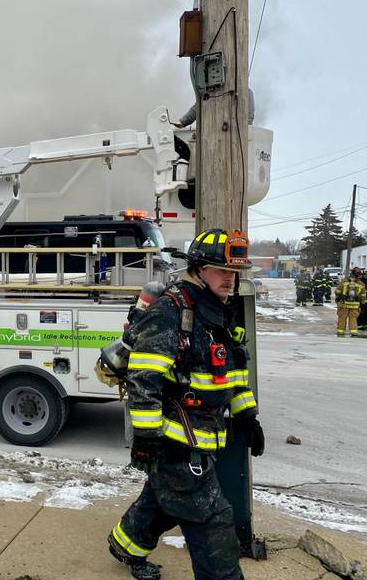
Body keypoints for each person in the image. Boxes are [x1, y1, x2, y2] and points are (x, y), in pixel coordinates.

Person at [108, 228, 263, 580]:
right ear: (198, 268)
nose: (229, 279)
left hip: (201, 434)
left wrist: (248, 416)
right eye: (222, 270)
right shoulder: (171, 310)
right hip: (175, 439)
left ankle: (125, 544)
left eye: (234, 273)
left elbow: (233, 372)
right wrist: (148, 439)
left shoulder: (219, 311)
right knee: (212, 516)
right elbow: (143, 379)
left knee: (163, 501)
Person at [173, 88, 256, 128]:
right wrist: (181, 123)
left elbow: (249, 117)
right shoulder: (210, 92)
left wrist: (243, 131)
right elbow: (196, 108)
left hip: (234, 138)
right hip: (211, 137)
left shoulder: (245, 91)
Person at [336, 268, 367, 337]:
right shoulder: (361, 284)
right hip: (355, 305)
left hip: (344, 304)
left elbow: (337, 291)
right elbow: (363, 296)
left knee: (342, 318)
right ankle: (354, 332)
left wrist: (338, 298)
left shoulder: (344, 281)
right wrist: (362, 302)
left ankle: (340, 332)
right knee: (353, 318)